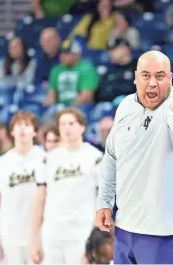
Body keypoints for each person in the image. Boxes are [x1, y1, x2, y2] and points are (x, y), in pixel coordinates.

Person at [95, 51, 173, 264]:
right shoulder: (125, 106)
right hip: (127, 228)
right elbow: (111, 157)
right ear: (135, 78)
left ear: (170, 79)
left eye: (160, 76)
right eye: (146, 76)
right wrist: (104, 201)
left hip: (170, 233)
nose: (152, 83)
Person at [30, 108, 103, 265]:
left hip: (82, 233)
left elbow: (103, 199)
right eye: (62, 124)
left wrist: (98, 237)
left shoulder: (95, 157)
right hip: (52, 233)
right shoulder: (48, 159)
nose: (66, 128)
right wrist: (34, 239)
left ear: (82, 127)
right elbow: (40, 201)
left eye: (71, 123)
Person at [0, 111, 46, 265]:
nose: (22, 129)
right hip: (10, 235)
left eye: (27, 125)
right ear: (12, 131)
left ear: (34, 131)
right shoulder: (1, 163)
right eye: (18, 125)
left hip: (40, 235)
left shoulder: (45, 159)